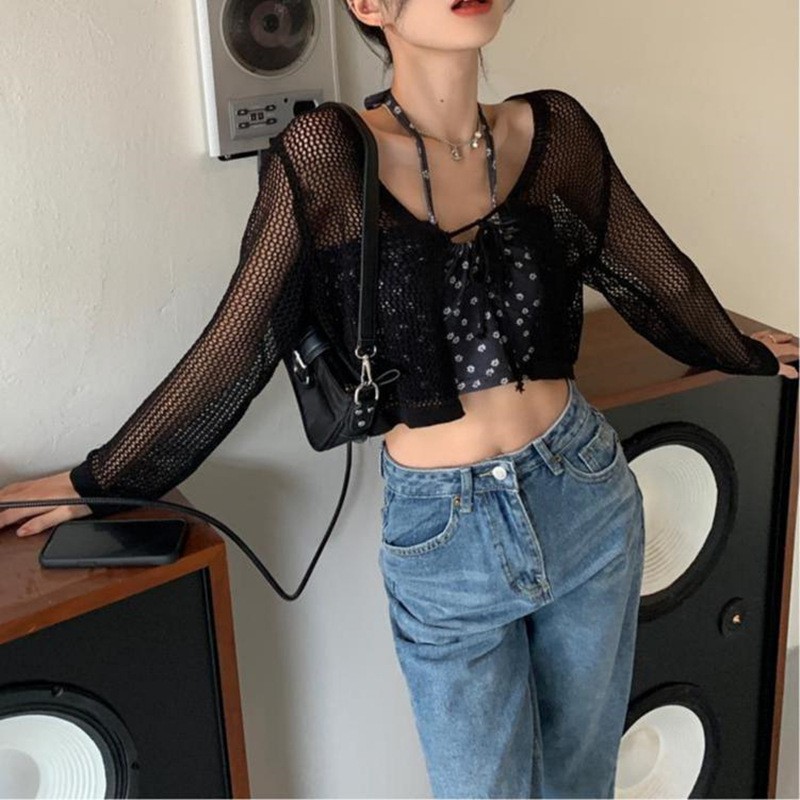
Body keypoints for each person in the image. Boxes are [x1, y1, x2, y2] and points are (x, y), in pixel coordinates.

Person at [1, 0, 797, 796]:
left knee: (582, 779)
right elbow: (239, 342)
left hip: (583, 491)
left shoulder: (555, 133)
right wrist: (100, 480)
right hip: (444, 533)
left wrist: (748, 351)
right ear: (370, 5)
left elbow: (656, 279)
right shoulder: (326, 156)